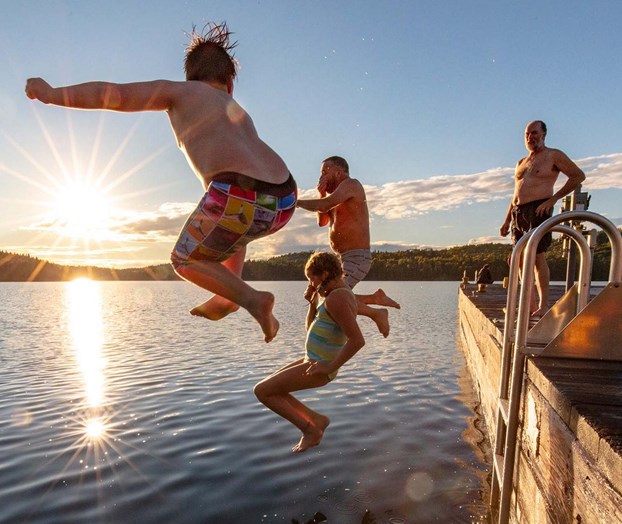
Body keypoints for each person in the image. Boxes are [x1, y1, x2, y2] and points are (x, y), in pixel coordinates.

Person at [25, 21, 296, 343]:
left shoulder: (180, 92)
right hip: (283, 198)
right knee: (237, 226)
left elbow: (115, 95)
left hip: (239, 194)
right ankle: (227, 295)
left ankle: (253, 299)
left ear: (190, 77)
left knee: (185, 258)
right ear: (230, 83)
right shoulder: (236, 110)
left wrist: (52, 95)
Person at [254, 252, 365, 453]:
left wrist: (329, 367)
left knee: (262, 391)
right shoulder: (333, 295)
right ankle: (315, 420)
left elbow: (357, 340)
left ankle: (311, 428)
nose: (311, 284)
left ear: (324, 274)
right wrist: (312, 303)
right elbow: (310, 328)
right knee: (270, 387)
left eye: (312, 279)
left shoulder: (337, 298)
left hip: (320, 365)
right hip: (312, 360)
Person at [296, 156, 399, 337]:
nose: (322, 177)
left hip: (357, 257)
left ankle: (376, 313)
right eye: (320, 173)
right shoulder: (334, 196)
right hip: (341, 258)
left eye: (325, 172)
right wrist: (321, 193)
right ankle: (375, 299)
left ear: (339, 171)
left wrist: (295, 202)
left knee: (333, 295)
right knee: (327, 292)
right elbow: (323, 220)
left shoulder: (352, 185)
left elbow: (324, 205)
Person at [500, 120, 585, 317]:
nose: (531, 137)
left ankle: (543, 305)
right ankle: (527, 304)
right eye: (527, 134)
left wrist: (553, 200)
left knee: (537, 257)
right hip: (518, 213)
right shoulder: (521, 163)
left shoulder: (553, 155)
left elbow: (577, 176)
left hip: (538, 209)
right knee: (519, 259)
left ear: (544, 134)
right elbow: (515, 194)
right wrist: (506, 220)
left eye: (535, 133)